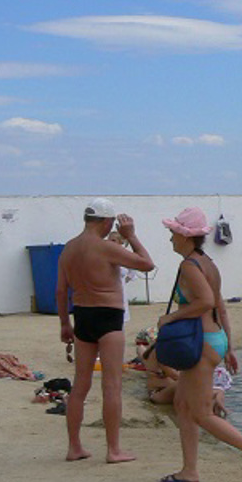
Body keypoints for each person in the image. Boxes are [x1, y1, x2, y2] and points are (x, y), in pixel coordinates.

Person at [158, 206, 242, 482]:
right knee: (182, 404)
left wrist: (170, 317)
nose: (170, 238)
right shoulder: (207, 262)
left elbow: (207, 301)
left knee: (200, 413)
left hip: (201, 342)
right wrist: (230, 347)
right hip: (213, 338)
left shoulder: (189, 265)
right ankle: (189, 471)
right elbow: (219, 305)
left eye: (173, 232)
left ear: (186, 236)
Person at [56, 198, 155, 463]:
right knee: (112, 385)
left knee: (80, 386)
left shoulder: (68, 249)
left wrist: (65, 323)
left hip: (83, 315)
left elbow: (60, 290)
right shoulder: (105, 248)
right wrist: (131, 236)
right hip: (109, 316)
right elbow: (147, 264)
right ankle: (113, 450)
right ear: (105, 221)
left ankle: (74, 447)